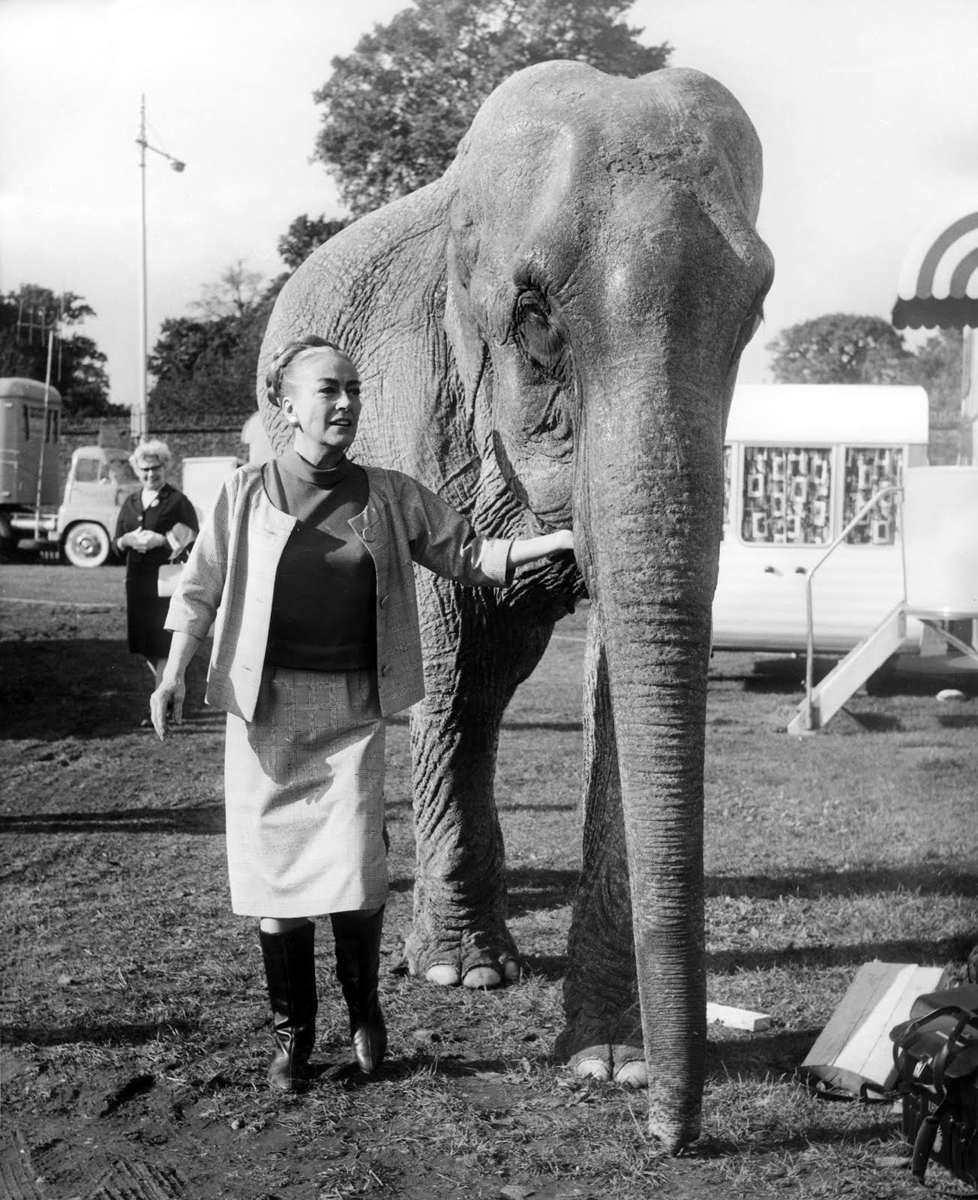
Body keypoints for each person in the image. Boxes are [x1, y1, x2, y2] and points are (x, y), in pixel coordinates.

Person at [150, 336, 575, 1093]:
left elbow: (469, 554)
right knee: (275, 884)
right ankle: (293, 1039)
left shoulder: (389, 494)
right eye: (327, 390)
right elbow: (199, 588)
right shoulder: (244, 493)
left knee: (354, 871)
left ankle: (364, 1009)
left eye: (352, 388)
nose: (345, 402)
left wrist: (558, 543)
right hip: (266, 713)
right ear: (286, 405)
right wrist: (175, 670)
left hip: (352, 709)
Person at [114, 439, 198, 695]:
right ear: (137, 470)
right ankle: (166, 693)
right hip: (138, 584)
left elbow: (194, 540)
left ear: (165, 467)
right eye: (145, 469)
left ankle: (162, 703)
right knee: (146, 647)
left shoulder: (176, 500)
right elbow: (115, 543)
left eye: (155, 468)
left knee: (163, 646)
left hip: (166, 585)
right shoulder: (130, 502)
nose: (150, 474)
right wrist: (126, 540)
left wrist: (161, 541)